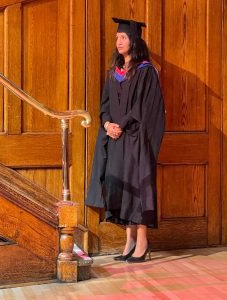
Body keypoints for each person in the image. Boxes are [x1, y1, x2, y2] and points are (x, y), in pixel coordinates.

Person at [85, 17, 165, 263]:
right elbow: (105, 105)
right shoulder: (114, 72)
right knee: (121, 189)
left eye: (123, 37)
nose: (118, 41)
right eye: (117, 37)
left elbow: (147, 108)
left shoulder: (145, 71)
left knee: (138, 189)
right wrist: (108, 124)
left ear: (134, 40)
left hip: (136, 140)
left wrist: (123, 125)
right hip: (117, 140)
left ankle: (142, 242)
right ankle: (129, 240)